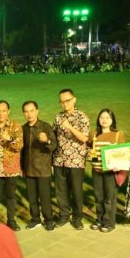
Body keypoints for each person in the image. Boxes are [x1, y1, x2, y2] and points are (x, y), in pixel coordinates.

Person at [52, 89, 90, 229]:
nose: (64, 104)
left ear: (74, 99)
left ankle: (77, 217)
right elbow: (53, 136)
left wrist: (70, 127)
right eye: (61, 102)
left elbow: (84, 138)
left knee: (76, 190)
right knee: (61, 190)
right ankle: (64, 215)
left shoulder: (82, 117)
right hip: (59, 159)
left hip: (76, 160)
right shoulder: (58, 117)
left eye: (67, 101)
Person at [0, 100, 23, 231]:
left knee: (11, 195)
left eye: (4, 111)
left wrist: (10, 139)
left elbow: (19, 147)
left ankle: (11, 220)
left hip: (11, 168)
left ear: (8, 111)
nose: (1, 114)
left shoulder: (16, 126)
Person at [88, 109, 126, 233]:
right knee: (98, 197)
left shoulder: (117, 134)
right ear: (98, 119)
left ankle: (109, 222)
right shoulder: (93, 133)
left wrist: (118, 165)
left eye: (107, 118)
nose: (104, 120)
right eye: (101, 117)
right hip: (97, 170)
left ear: (112, 120)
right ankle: (99, 219)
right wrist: (88, 154)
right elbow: (89, 150)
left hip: (110, 172)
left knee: (109, 198)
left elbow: (122, 153)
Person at [21, 100, 56, 231]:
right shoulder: (23, 128)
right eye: (26, 111)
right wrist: (21, 167)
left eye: (32, 111)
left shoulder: (45, 127)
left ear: (37, 111)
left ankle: (49, 220)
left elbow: (54, 145)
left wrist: (46, 140)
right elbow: (22, 150)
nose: (29, 114)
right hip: (29, 169)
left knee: (45, 197)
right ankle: (35, 219)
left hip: (43, 169)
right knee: (32, 197)